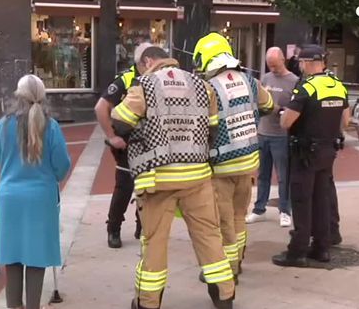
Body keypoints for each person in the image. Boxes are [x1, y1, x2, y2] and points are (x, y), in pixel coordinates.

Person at [112, 46, 235, 309]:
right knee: (209, 236)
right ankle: (224, 296)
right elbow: (213, 128)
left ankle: (147, 303)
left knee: (154, 242)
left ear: (148, 63)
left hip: (158, 179)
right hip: (197, 176)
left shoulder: (144, 84)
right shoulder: (202, 85)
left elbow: (120, 122)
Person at [192, 32, 274, 281]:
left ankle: (228, 270)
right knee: (239, 217)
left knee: (223, 222)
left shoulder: (208, 87)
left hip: (220, 167)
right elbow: (269, 106)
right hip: (248, 163)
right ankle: (238, 260)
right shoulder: (250, 81)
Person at [0, 74, 71, 309]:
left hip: (9, 198)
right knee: (36, 258)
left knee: (13, 258)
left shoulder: (3, 124)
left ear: (18, 96)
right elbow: (62, 165)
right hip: (40, 198)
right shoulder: (51, 126)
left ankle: (13, 305)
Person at [271, 44, 350, 267]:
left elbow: (287, 122)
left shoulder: (306, 88)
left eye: (301, 63)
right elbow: (346, 121)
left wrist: (284, 113)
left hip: (305, 153)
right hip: (328, 151)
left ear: (306, 63)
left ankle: (297, 251)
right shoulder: (338, 85)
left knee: (302, 200)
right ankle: (321, 247)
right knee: (321, 199)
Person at [94, 42, 152, 248]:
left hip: (149, 143)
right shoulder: (126, 79)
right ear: (144, 61)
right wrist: (111, 136)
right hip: (127, 143)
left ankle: (142, 226)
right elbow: (101, 107)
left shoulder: (153, 79)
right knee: (124, 187)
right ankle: (114, 229)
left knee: (148, 186)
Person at [246, 47, 298, 227]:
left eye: (275, 65)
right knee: (263, 174)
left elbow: (294, 109)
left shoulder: (294, 81)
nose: (273, 69)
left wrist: (278, 109)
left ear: (283, 60)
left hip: (281, 135)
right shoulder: (266, 78)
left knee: (283, 175)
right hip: (263, 132)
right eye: (270, 66)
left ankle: (285, 210)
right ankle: (259, 208)